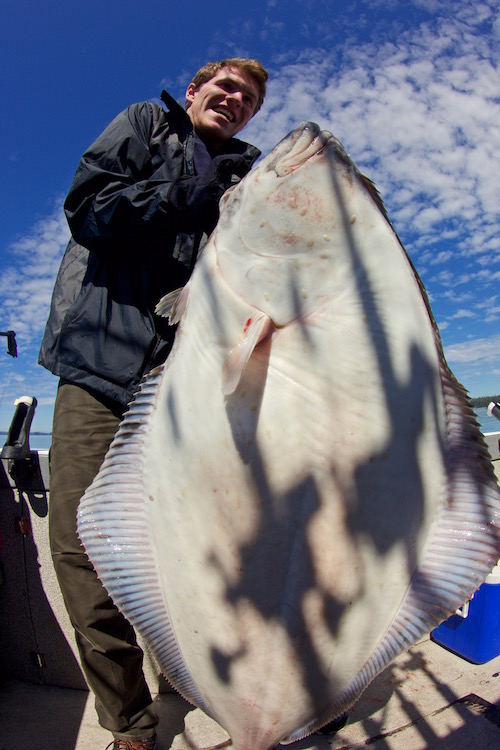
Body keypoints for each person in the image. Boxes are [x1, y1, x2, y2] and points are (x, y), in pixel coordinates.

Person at [39, 58, 268, 750]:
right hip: (101, 370)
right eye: (224, 86)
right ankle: (131, 722)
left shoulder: (256, 176)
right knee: (84, 542)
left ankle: (195, 676)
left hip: (192, 387)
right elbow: (91, 208)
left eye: (249, 97)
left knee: (201, 543)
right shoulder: (146, 125)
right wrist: (187, 197)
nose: (234, 100)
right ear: (194, 90)